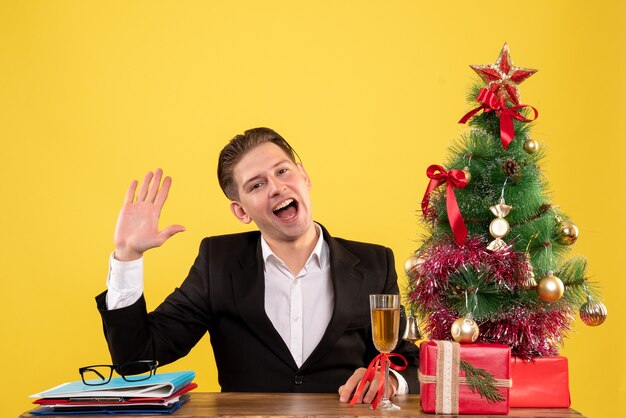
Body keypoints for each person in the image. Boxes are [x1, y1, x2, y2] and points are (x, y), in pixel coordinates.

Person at [96, 127, 419, 403]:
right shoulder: (218, 262)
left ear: (304, 176)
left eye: (282, 171)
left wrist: (392, 382)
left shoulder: (375, 262)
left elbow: (405, 358)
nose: (277, 187)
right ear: (241, 211)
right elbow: (136, 360)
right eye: (257, 185)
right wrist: (127, 256)